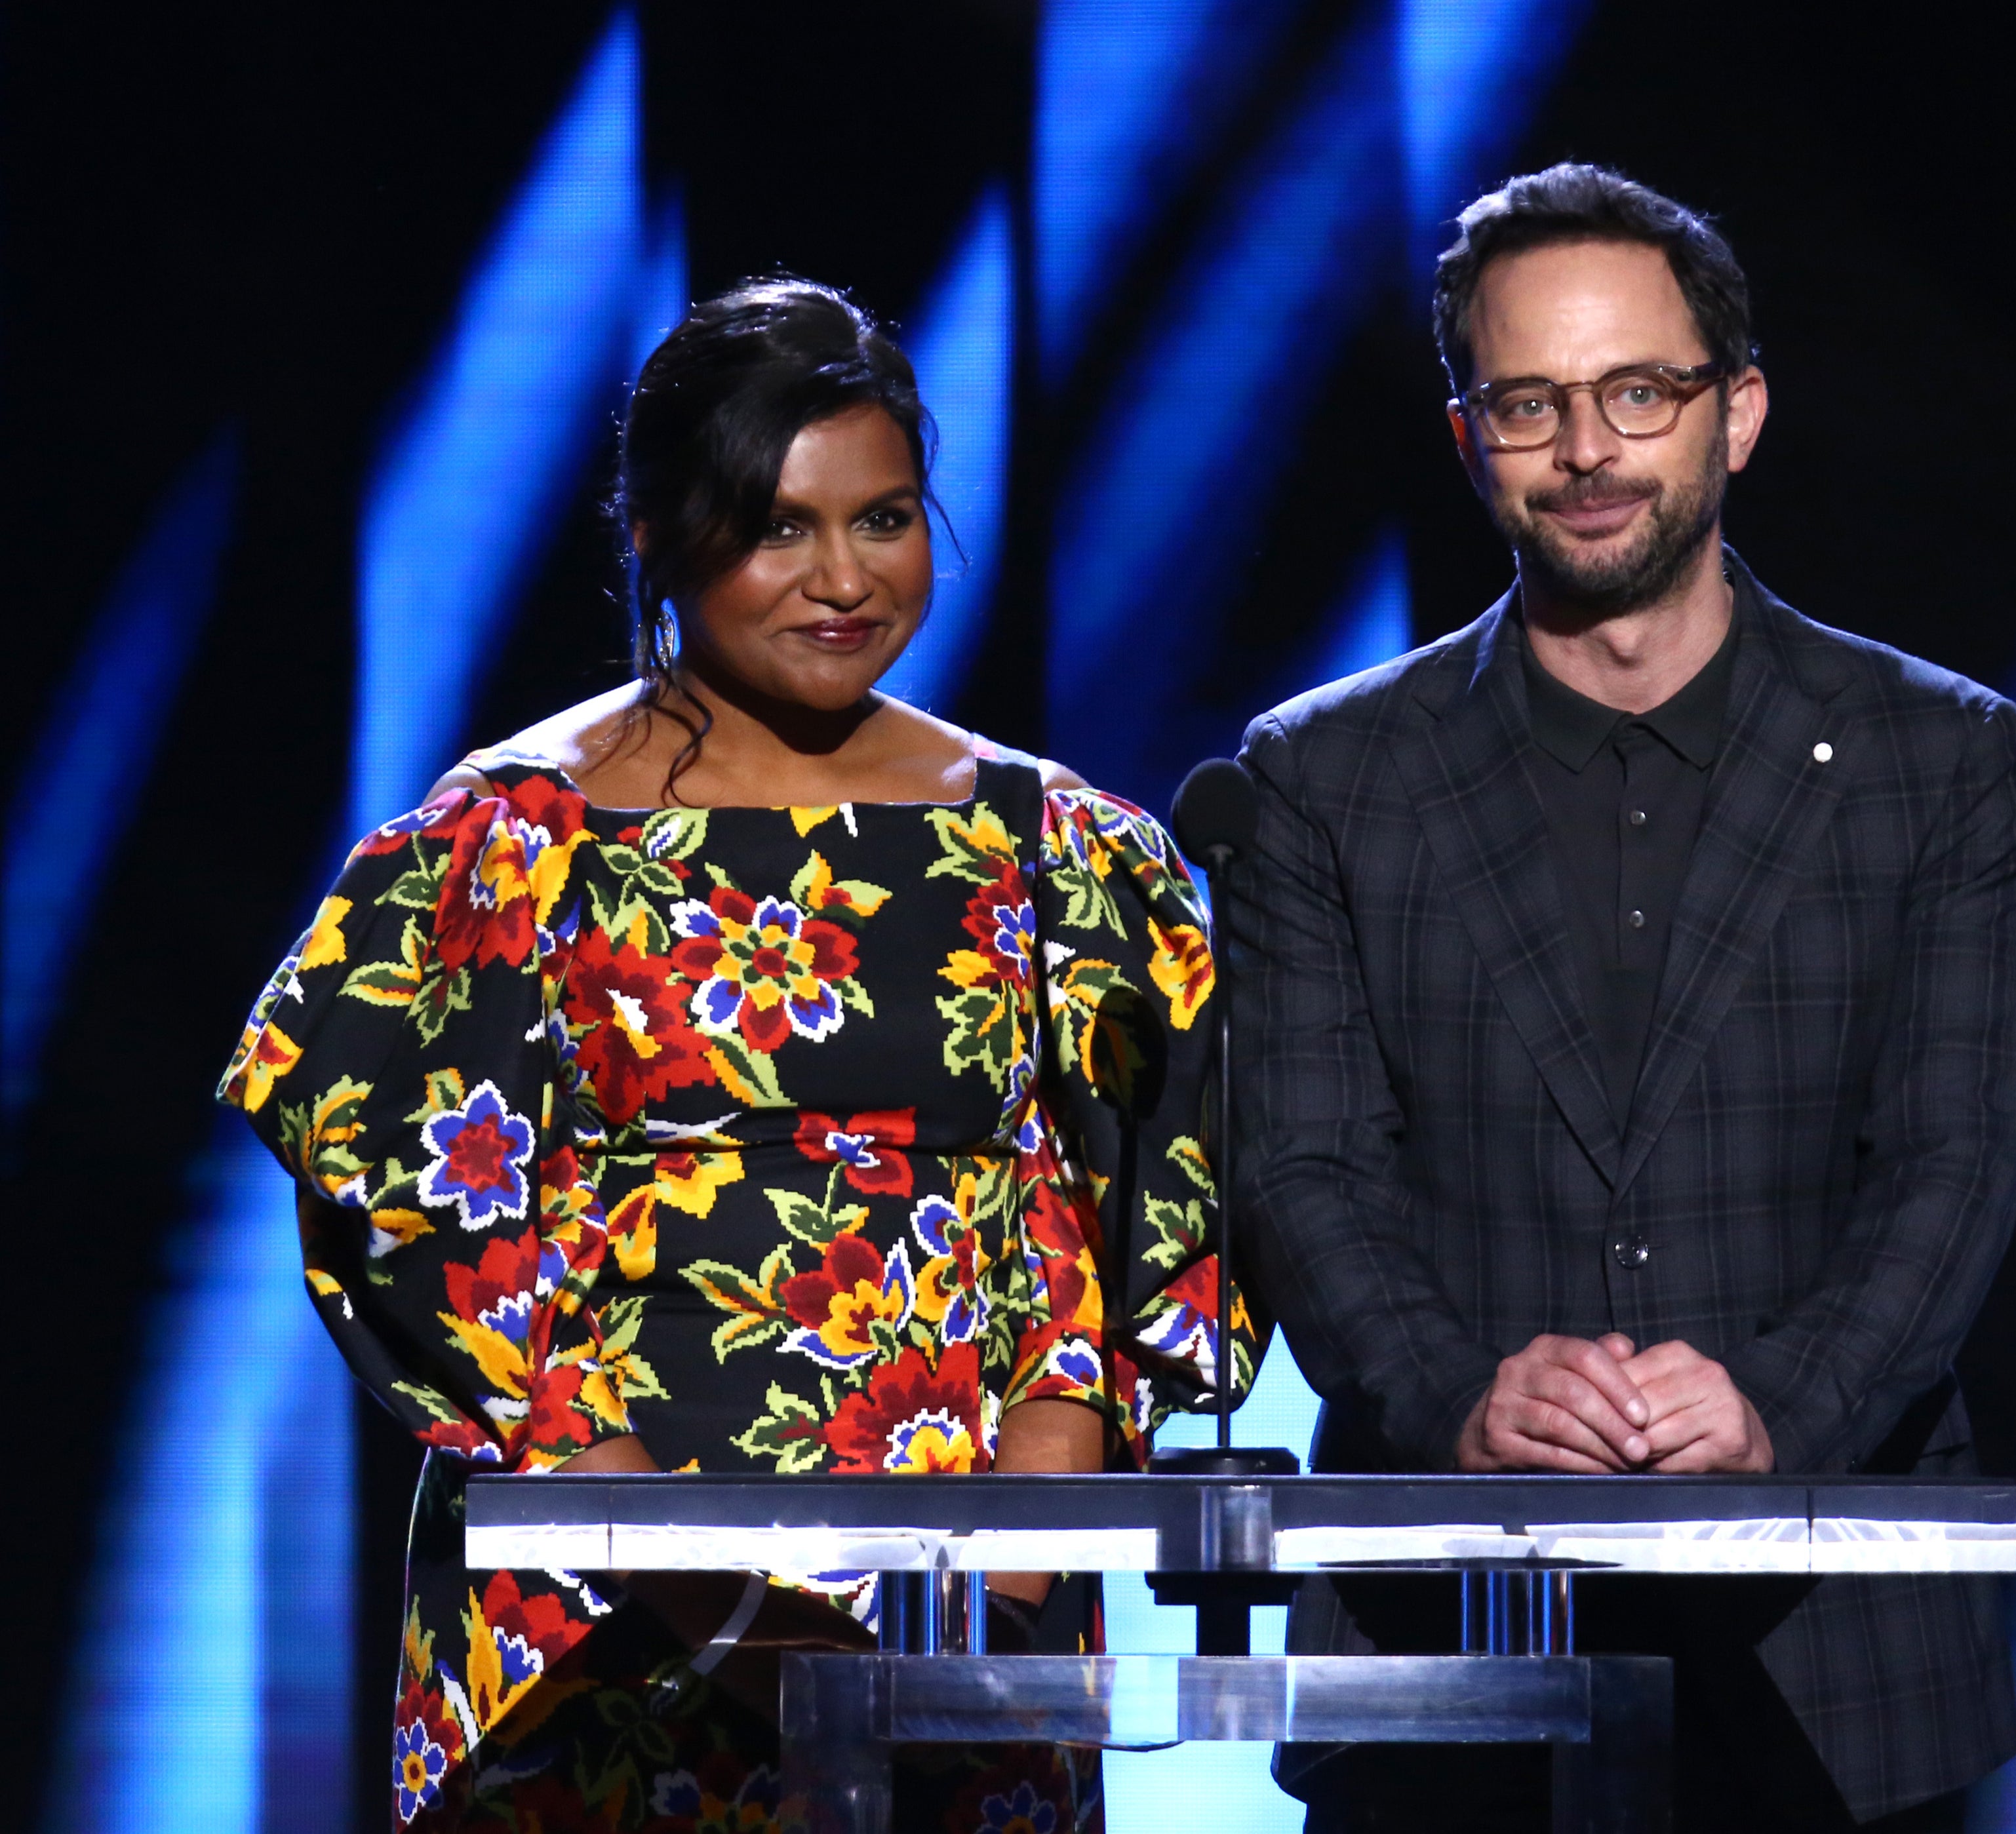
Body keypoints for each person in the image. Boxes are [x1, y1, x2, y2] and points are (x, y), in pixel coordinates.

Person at [219, 279, 1250, 1832]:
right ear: (654, 535)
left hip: (969, 1611)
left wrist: (1013, 1576)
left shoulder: (1058, 849)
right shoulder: (511, 843)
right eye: (780, 528)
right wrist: (708, 1600)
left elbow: (1119, 1225)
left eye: (886, 519)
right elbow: (432, 1235)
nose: (843, 577)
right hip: (596, 1624)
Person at [1236, 165, 2016, 1832]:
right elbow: (1302, 1166)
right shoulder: (1325, 777)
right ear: (1470, 437)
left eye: (1637, 393)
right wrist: (1461, 1392)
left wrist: (1780, 1405)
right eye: (1530, 403)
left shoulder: (1939, 758)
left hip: (1837, 1654)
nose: (1589, 451)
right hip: (1442, 1631)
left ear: (1734, 413)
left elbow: (1960, 1154)